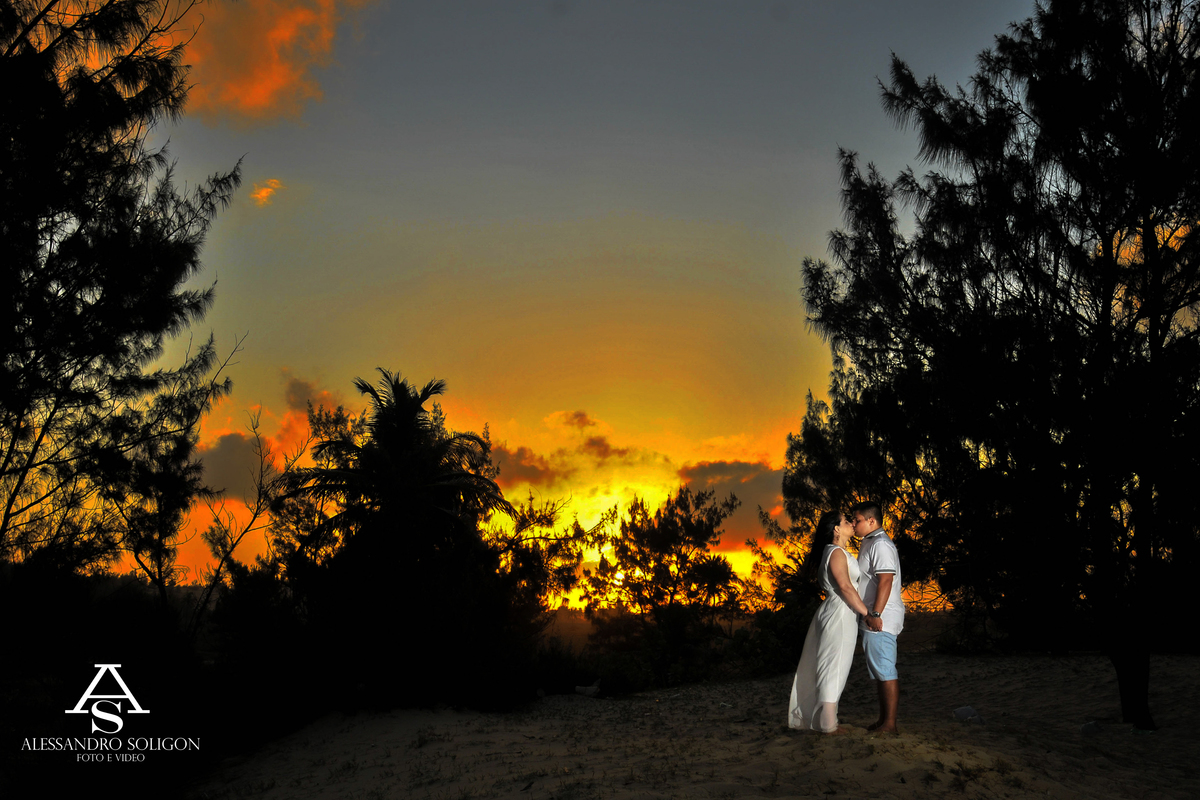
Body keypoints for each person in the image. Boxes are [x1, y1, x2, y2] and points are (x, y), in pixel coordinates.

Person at [788, 510, 872, 733]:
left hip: (840, 612)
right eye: (846, 522)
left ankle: (827, 720)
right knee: (834, 665)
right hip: (840, 613)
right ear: (836, 529)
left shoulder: (837, 551)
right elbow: (845, 587)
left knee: (836, 664)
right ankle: (827, 724)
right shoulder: (836, 553)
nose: (852, 524)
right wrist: (868, 613)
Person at [851, 500, 904, 734]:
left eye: (857, 520)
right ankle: (883, 721)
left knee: (886, 670)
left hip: (880, 619)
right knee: (881, 671)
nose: (853, 524)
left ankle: (890, 725)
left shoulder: (881, 544)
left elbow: (886, 580)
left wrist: (875, 613)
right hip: (874, 617)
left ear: (871, 521)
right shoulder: (870, 542)